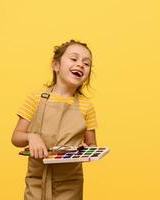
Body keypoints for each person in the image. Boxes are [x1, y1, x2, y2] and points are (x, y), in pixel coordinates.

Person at [11, 39, 97, 200]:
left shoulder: (86, 106)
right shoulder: (36, 99)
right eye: (74, 59)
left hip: (70, 184)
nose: (80, 65)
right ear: (56, 65)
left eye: (86, 63)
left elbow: (92, 145)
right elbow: (16, 138)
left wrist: (84, 149)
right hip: (37, 181)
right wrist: (31, 136)